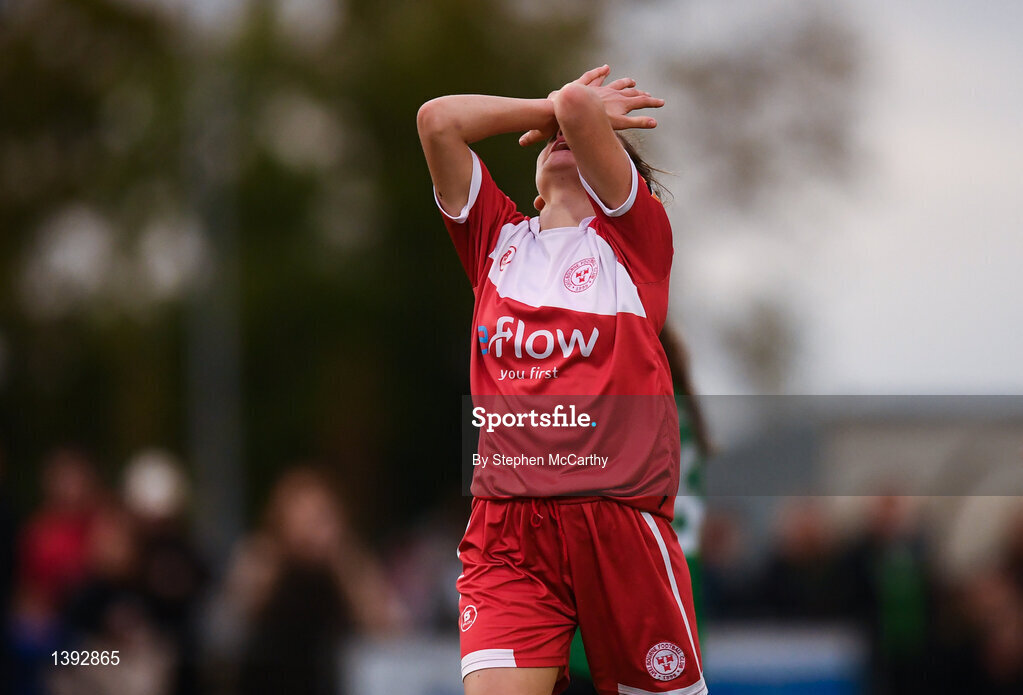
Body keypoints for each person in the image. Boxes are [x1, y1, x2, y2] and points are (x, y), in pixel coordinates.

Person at [418, 65, 707, 695]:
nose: (562, 135)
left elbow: (578, 104)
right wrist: (543, 107)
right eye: (554, 138)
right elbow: (438, 120)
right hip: (509, 532)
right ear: (535, 192)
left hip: (618, 528)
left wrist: (569, 112)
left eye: (582, 138)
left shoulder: (635, 244)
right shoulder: (496, 242)